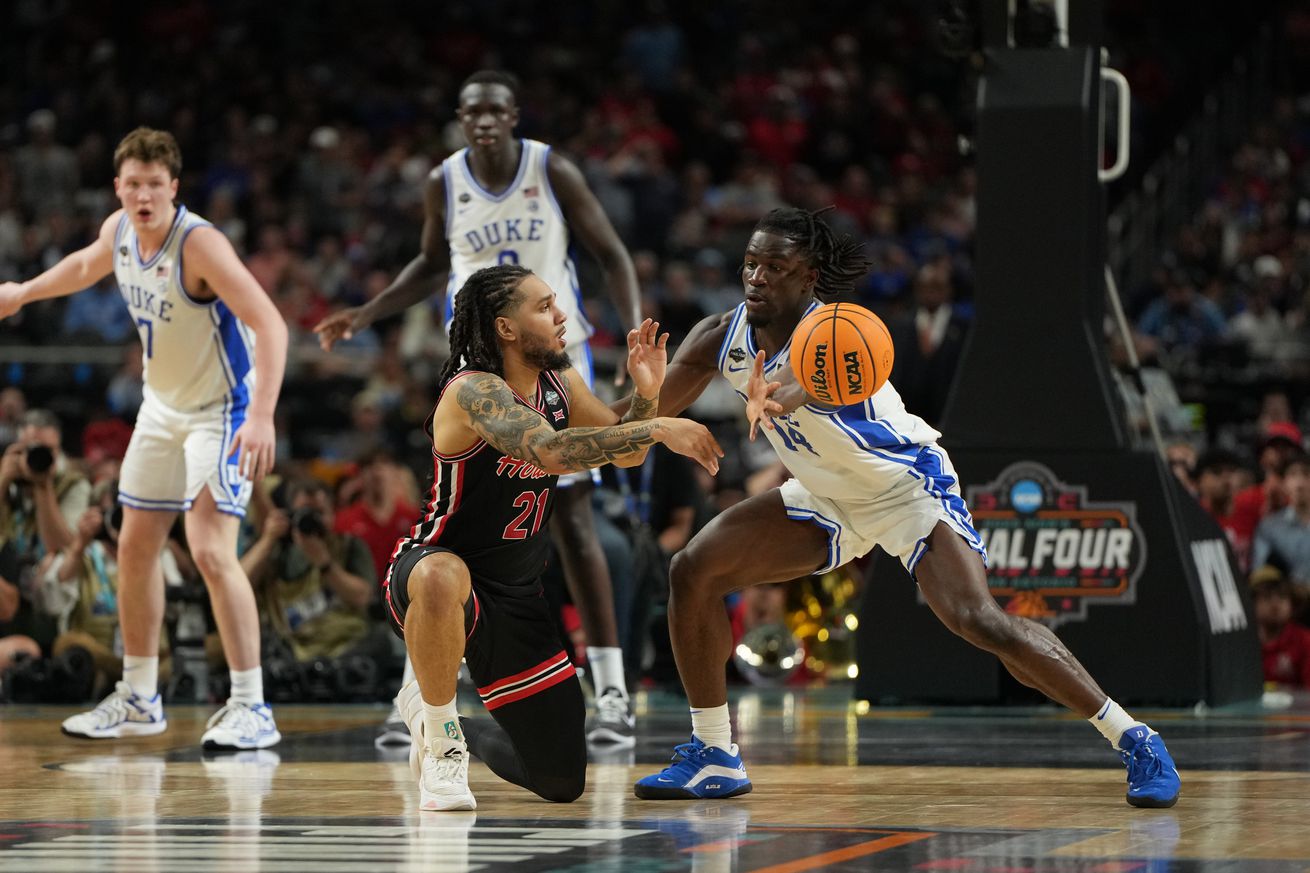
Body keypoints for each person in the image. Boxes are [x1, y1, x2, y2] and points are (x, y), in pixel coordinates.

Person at [629, 207, 1181, 809]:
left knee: (980, 621)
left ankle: (1134, 738)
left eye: (775, 266)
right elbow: (623, 439)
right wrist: (646, 397)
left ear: (809, 277)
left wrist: (775, 394)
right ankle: (714, 753)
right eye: (750, 264)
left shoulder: (841, 331)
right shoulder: (718, 336)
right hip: (827, 495)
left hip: (904, 487)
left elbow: (806, 385)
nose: (756, 277)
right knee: (692, 569)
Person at [315, 70, 644, 746]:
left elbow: (611, 253)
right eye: (472, 111)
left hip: (555, 357)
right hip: (481, 368)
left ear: (514, 114)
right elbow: (431, 262)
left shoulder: (552, 169)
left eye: (495, 109)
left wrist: (634, 332)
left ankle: (611, 688)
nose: (484, 120)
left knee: (574, 518)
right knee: (459, 525)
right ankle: (424, 687)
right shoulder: (445, 180)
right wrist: (367, 313)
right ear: (461, 120)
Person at [381, 264, 721, 810]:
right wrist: (659, 428)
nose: (562, 316)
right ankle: (443, 749)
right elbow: (552, 451)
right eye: (543, 307)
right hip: (431, 571)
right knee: (445, 572)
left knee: (561, 781)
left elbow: (623, 447)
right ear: (505, 328)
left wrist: (647, 396)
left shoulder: (560, 383)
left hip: (517, 594)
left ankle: (437, 716)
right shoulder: (474, 392)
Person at [0, 127, 288, 749]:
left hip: (224, 410)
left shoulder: (200, 244)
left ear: (174, 188)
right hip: (162, 409)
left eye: (154, 184)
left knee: (210, 548)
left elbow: (269, 322)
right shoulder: (120, 230)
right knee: (134, 545)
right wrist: (23, 293)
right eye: (132, 184)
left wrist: (262, 415)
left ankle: (251, 706)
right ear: (118, 187)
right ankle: (138, 697)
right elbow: (82, 265)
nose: (142, 195)